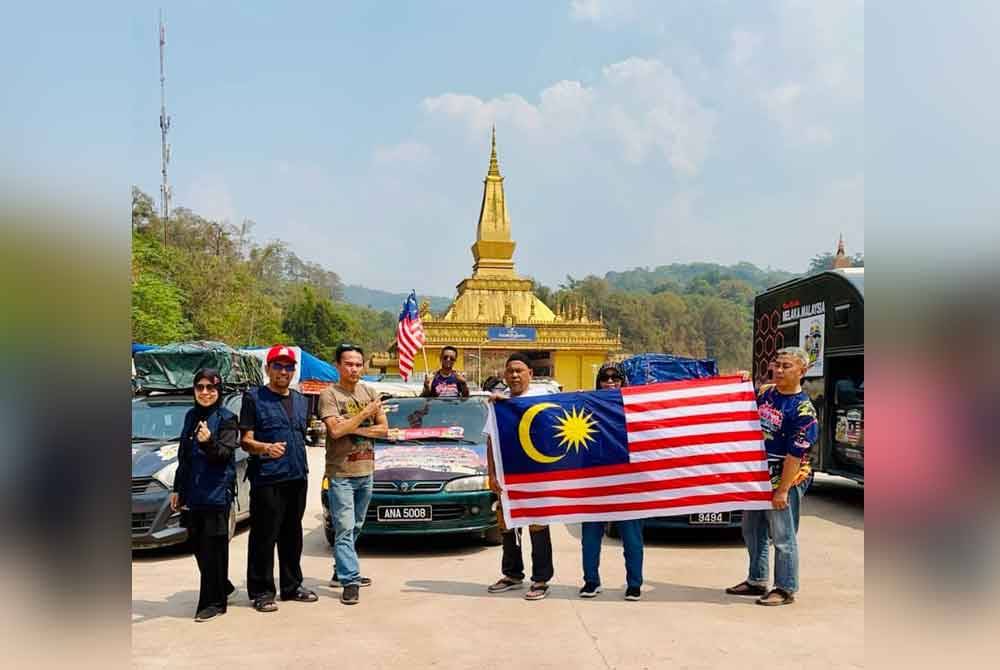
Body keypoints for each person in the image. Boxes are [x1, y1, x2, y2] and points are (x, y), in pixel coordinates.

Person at [726, 346, 819, 606]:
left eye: (786, 366)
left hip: (786, 476)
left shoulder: (803, 412)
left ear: (802, 371)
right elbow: (741, 403)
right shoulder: (767, 393)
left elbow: (794, 456)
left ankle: (785, 587)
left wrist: (782, 490)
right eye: (776, 365)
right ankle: (757, 579)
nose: (779, 370)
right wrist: (740, 382)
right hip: (757, 475)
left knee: (782, 535)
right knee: (751, 529)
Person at [239, 345, 318, 613]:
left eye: (288, 367)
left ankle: (292, 586)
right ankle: (261, 592)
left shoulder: (301, 401)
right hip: (268, 478)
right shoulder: (254, 398)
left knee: (292, 534)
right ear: (268, 368)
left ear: (294, 371)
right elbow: (245, 440)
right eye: (278, 366)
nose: (283, 371)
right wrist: (265, 448)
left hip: (297, 475)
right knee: (264, 536)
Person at [318, 343, 388, 606]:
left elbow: (384, 429)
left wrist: (353, 427)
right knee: (345, 527)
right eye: (348, 364)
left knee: (356, 525)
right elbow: (335, 431)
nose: (354, 369)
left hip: (366, 470)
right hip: (341, 473)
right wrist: (365, 415)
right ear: (338, 366)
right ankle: (350, 580)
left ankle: (340, 570)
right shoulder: (329, 395)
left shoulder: (370, 391)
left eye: (358, 364)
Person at [170, 368, 239, 622]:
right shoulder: (191, 416)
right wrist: (177, 489)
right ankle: (223, 586)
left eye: (211, 388)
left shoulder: (227, 418)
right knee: (197, 545)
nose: (205, 392)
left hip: (216, 493)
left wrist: (209, 441)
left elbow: (225, 455)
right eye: (200, 387)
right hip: (193, 493)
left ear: (218, 390)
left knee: (214, 548)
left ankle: (213, 603)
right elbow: (184, 456)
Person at [485, 352, 554, 601]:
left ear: (530, 374)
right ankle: (513, 574)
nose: (514, 375)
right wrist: (492, 474)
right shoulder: (498, 405)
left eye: (519, 371)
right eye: (510, 371)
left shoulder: (541, 399)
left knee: (538, 526)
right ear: (505, 375)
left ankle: (541, 579)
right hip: (507, 475)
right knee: (507, 525)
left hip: (535, 476)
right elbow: (490, 440)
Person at [579, 363, 644, 601]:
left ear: (623, 381)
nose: (609, 382)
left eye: (615, 378)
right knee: (590, 536)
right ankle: (591, 581)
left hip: (627, 480)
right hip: (594, 479)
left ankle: (634, 584)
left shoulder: (635, 406)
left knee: (632, 537)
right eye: (604, 378)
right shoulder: (586, 405)